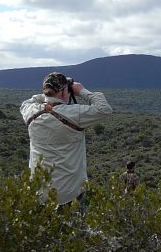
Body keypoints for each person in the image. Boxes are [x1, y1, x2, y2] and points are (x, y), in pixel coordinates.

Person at [20, 72, 113, 210]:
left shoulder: (29, 111)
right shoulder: (74, 114)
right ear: (64, 91)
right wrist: (81, 91)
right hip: (69, 194)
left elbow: (29, 101)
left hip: (38, 191)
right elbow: (104, 109)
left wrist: (49, 96)